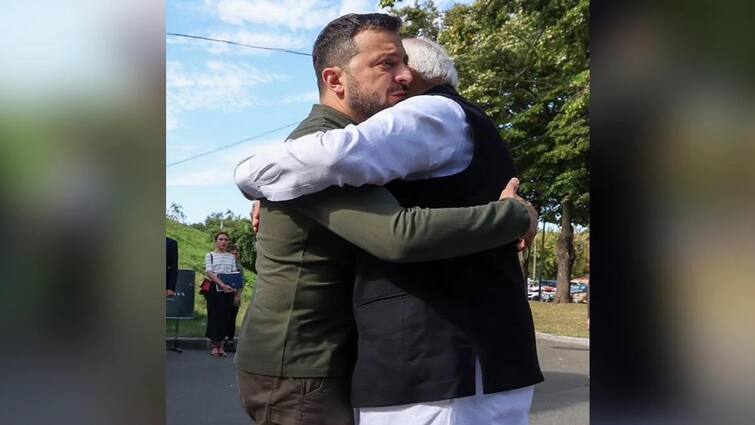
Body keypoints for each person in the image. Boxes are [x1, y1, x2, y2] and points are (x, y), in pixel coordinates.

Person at [233, 14, 537, 425]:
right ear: (336, 80)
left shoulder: (363, 154)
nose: (404, 75)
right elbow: (397, 235)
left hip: (324, 358)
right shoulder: (324, 151)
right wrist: (514, 215)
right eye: (387, 64)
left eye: (405, 64)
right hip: (302, 364)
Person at [204, 231, 238, 357]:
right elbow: (209, 272)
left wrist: (232, 287)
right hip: (215, 289)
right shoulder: (210, 255)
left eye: (226, 240)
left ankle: (221, 346)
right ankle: (214, 345)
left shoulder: (231, 257)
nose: (223, 242)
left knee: (225, 317)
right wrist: (221, 284)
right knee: (214, 316)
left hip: (228, 290)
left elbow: (234, 272)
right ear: (216, 241)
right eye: (221, 239)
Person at [224, 244, 243, 353]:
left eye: (236, 253)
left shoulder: (239, 267)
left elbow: (241, 284)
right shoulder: (223, 264)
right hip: (223, 294)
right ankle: (222, 340)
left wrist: (237, 296)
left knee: (232, 319)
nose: (235, 255)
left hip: (234, 295)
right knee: (223, 318)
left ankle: (230, 341)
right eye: (233, 253)